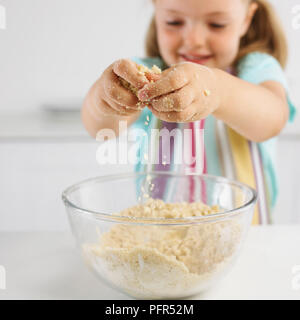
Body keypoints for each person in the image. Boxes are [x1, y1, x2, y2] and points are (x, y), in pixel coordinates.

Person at [81, 0, 296, 224]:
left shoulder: (256, 69)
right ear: (157, 13)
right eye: (174, 22)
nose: (194, 40)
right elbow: (99, 127)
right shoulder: (147, 76)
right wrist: (106, 99)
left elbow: (273, 118)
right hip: (161, 239)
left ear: (246, 20)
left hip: (244, 239)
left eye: (217, 24)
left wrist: (217, 90)